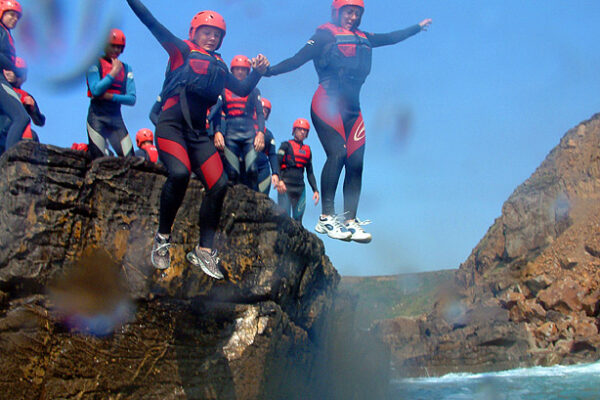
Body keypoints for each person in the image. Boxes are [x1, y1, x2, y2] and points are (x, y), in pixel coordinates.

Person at [265, 0, 431, 243]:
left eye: (356, 13)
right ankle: (326, 218)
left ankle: (350, 220)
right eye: (348, 12)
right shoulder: (323, 36)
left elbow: (392, 37)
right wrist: (267, 71)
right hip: (327, 104)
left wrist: (417, 27)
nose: (352, 17)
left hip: (353, 111)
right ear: (337, 13)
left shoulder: (364, 37)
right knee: (339, 154)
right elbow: (296, 59)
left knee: (356, 162)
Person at [125, 0, 269, 279]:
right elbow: (149, 20)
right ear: (194, 32)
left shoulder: (219, 64)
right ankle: (163, 239)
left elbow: (240, 89)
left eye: (217, 34)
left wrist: (258, 72)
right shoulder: (180, 50)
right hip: (171, 127)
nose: (212, 37)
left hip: (198, 134)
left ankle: (204, 251)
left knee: (219, 184)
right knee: (178, 174)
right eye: (207, 32)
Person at [212, 55, 265, 190]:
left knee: (252, 170)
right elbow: (217, 112)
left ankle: (254, 203)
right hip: (231, 134)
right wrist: (217, 131)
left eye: (243, 69)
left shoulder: (254, 91)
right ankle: (232, 207)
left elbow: (260, 113)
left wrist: (260, 133)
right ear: (232, 71)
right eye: (237, 69)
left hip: (249, 134)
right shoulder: (223, 90)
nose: (240, 72)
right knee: (232, 173)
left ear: (248, 72)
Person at [86, 28, 136, 159]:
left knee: (130, 159)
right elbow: (95, 90)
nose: (116, 50)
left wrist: (110, 96)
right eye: (113, 46)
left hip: (116, 118)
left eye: (119, 47)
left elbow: (131, 99)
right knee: (98, 158)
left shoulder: (126, 69)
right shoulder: (94, 64)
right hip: (97, 117)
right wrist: (113, 72)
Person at [0, 0, 30, 152]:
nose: (14, 19)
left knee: (4, 124)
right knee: (20, 117)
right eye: (11, 14)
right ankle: (10, 159)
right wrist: (14, 68)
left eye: (17, 17)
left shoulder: (6, 33)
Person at [277, 118, 319, 223]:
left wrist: (315, 190)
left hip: (300, 189)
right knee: (284, 220)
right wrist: (279, 181)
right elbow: (276, 164)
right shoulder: (285, 145)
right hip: (285, 187)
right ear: (294, 130)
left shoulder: (308, 150)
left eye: (305, 130)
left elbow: (310, 172)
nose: (302, 132)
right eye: (300, 129)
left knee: (298, 221)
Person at [0, 56, 43, 153]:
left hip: (18, 135)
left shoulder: (25, 95)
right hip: (2, 131)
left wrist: (33, 110)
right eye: (7, 69)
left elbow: (40, 121)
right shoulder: (2, 88)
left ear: (23, 76)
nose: (9, 73)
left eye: (15, 71)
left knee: (33, 136)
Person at [255, 97, 280, 195]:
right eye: (262, 110)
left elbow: (272, 155)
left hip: (263, 169)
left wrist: (275, 173)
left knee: (262, 199)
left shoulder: (269, 135)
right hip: (246, 168)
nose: (263, 112)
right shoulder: (245, 128)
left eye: (266, 111)